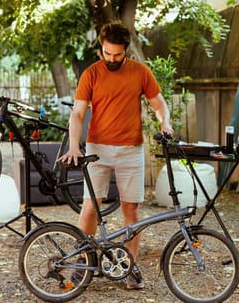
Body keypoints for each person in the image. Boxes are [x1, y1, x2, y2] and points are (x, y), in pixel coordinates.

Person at [59, 21, 174, 290]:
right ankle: (81, 263)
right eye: (107, 53)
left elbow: (159, 104)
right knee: (91, 205)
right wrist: (74, 145)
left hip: (131, 150)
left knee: (131, 210)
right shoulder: (91, 74)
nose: (111, 59)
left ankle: (128, 267)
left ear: (127, 52)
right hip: (97, 148)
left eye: (117, 55)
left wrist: (165, 123)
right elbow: (77, 113)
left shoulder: (140, 72)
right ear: (102, 48)